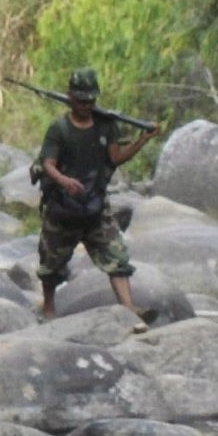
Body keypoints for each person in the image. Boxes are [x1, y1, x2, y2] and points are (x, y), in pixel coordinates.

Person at [36, 67, 158, 323]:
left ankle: (129, 307)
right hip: (62, 209)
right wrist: (64, 180)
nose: (86, 105)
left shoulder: (106, 125)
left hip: (95, 207)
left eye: (90, 100)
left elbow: (116, 158)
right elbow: (48, 163)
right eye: (81, 100)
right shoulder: (59, 129)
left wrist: (142, 140)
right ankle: (48, 309)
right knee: (51, 266)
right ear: (70, 97)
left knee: (117, 258)